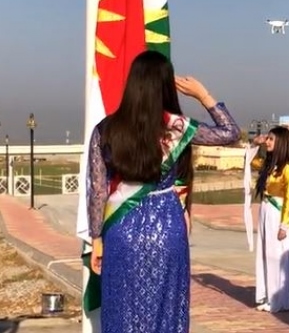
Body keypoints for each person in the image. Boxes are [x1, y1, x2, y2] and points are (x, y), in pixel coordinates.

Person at [86, 51, 241, 333]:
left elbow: (97, 191)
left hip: (121, 231)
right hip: (167, 228)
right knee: (165, 310)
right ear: (167, 86)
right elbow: (230, 132)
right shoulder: (178, 128)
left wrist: (97, 239)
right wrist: (203, 95)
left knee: (122, 310)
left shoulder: (105, 130)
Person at [251, 126, 289, 313]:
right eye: (268, 139)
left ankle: (278, 299)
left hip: (278, 214)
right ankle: (267, 295)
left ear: (281, 142)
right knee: (265, 253)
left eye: (271, 139)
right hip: (265, 210)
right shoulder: (270, 165)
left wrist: (284, 225)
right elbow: (252, 161)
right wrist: (256, 144)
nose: (268, 142)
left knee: (276, 255)